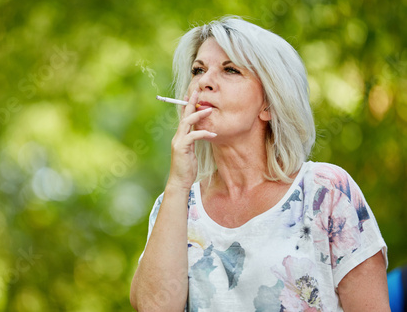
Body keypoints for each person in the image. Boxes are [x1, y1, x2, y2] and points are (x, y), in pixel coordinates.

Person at [130, 16, 389, 311]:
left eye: (230, 70)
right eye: (198, 70)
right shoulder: (175, 205)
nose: (204, 82)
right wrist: (177, 184)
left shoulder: (326, 192)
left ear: (268, 104)